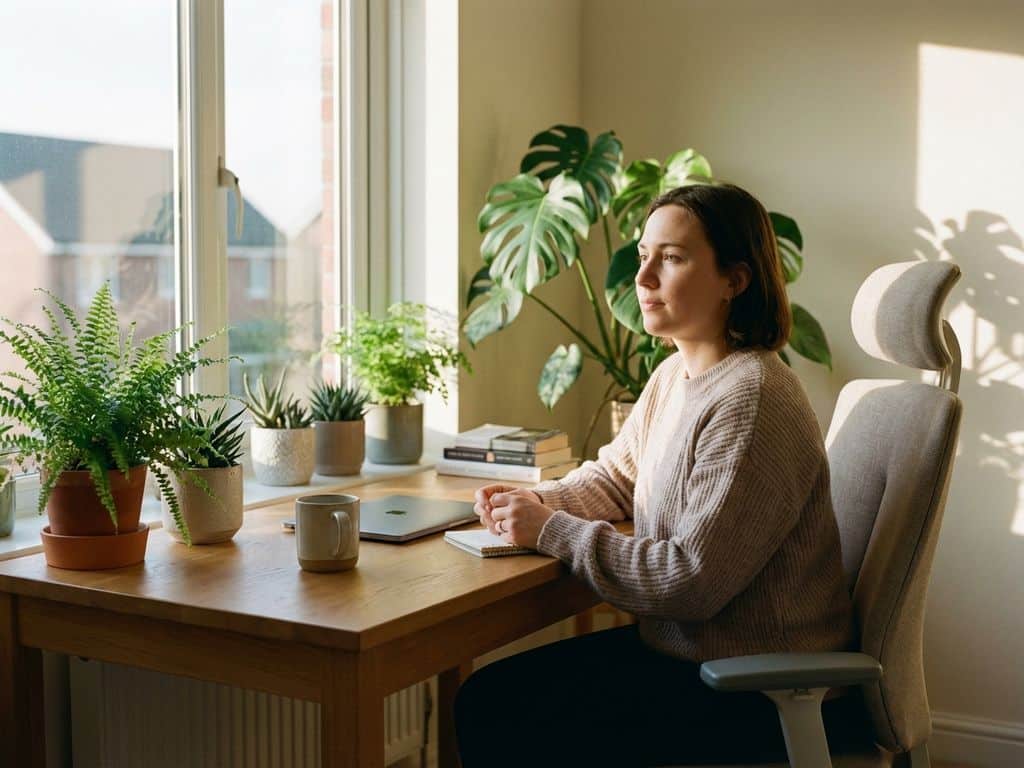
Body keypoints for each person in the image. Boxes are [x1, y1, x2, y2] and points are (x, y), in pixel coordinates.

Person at [455, 183, 863, 767]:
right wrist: (532, 500)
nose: (642, 278)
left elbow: (688, 582)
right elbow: (618, 480)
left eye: (670, 258)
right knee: (493, 699)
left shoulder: (752, 396)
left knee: (497, 707)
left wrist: (550, 530)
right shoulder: (676, 375)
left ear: (734, 280)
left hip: (758, 691)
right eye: (644, 255)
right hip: (697, 662)